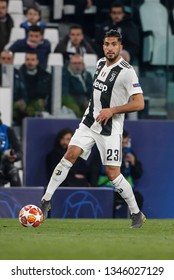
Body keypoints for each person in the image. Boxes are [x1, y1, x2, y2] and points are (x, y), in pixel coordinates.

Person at [40, 29, 146, 228]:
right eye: (107, 44)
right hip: (89, 123)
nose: (110, 48)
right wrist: (93, 110)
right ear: (103, 46)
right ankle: (46, 200)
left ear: (120, 47)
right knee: (70, 154)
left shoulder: (127, 71)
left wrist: (112, 110)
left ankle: (136, 213)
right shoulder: (99, 64)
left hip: (111, 128)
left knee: (113, 173)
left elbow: (139, 103)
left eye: (114, 44)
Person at [89, 129, 144, 211]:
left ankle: (135, 220)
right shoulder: (102, 152)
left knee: (138, 198)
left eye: (126, 143)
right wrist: (95, 189)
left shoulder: (129, 153)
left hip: (124, 190)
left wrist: (133, 163)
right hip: (106, 189)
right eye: (122, 143)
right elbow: (93, 171)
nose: (124, 146)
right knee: (110, 199)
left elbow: (137, 175)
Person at [13, 51, 52, 126]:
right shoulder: (16, 75)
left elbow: (48, 95)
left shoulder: (46, 76)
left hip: (38, 109)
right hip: (20, 111)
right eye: (27, 60)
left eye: (32, 60)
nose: (30, 62)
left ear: (37, 61)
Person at [0, 112, 22, 186]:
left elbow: (19, 152)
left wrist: (14, 156)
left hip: (4, 164)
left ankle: (18, 196)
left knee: (13, 171)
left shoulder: (7, 130)